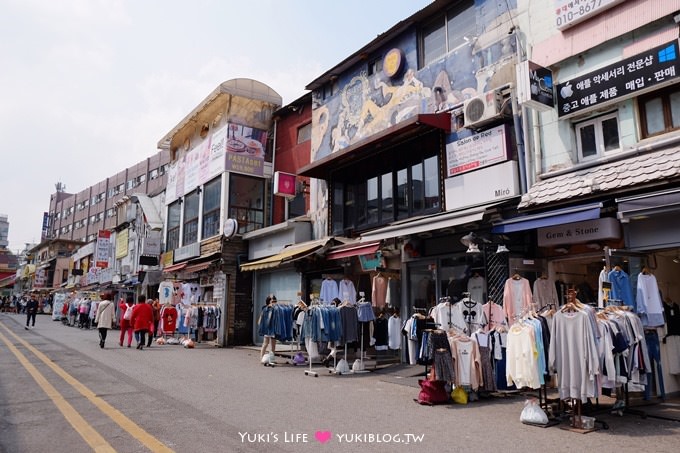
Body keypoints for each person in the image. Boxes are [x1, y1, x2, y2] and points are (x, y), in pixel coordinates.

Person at [258, 295, 277, 359]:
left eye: (273, 299)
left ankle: (271, 358)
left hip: (273, 328)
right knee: (265, 343)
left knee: (273, 345)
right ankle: (261, 357)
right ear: (268, 300)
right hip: (267, 328)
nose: (272, 300)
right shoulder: (265, 308)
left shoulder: (276, 308)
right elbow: (261, 317)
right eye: (271, 299)